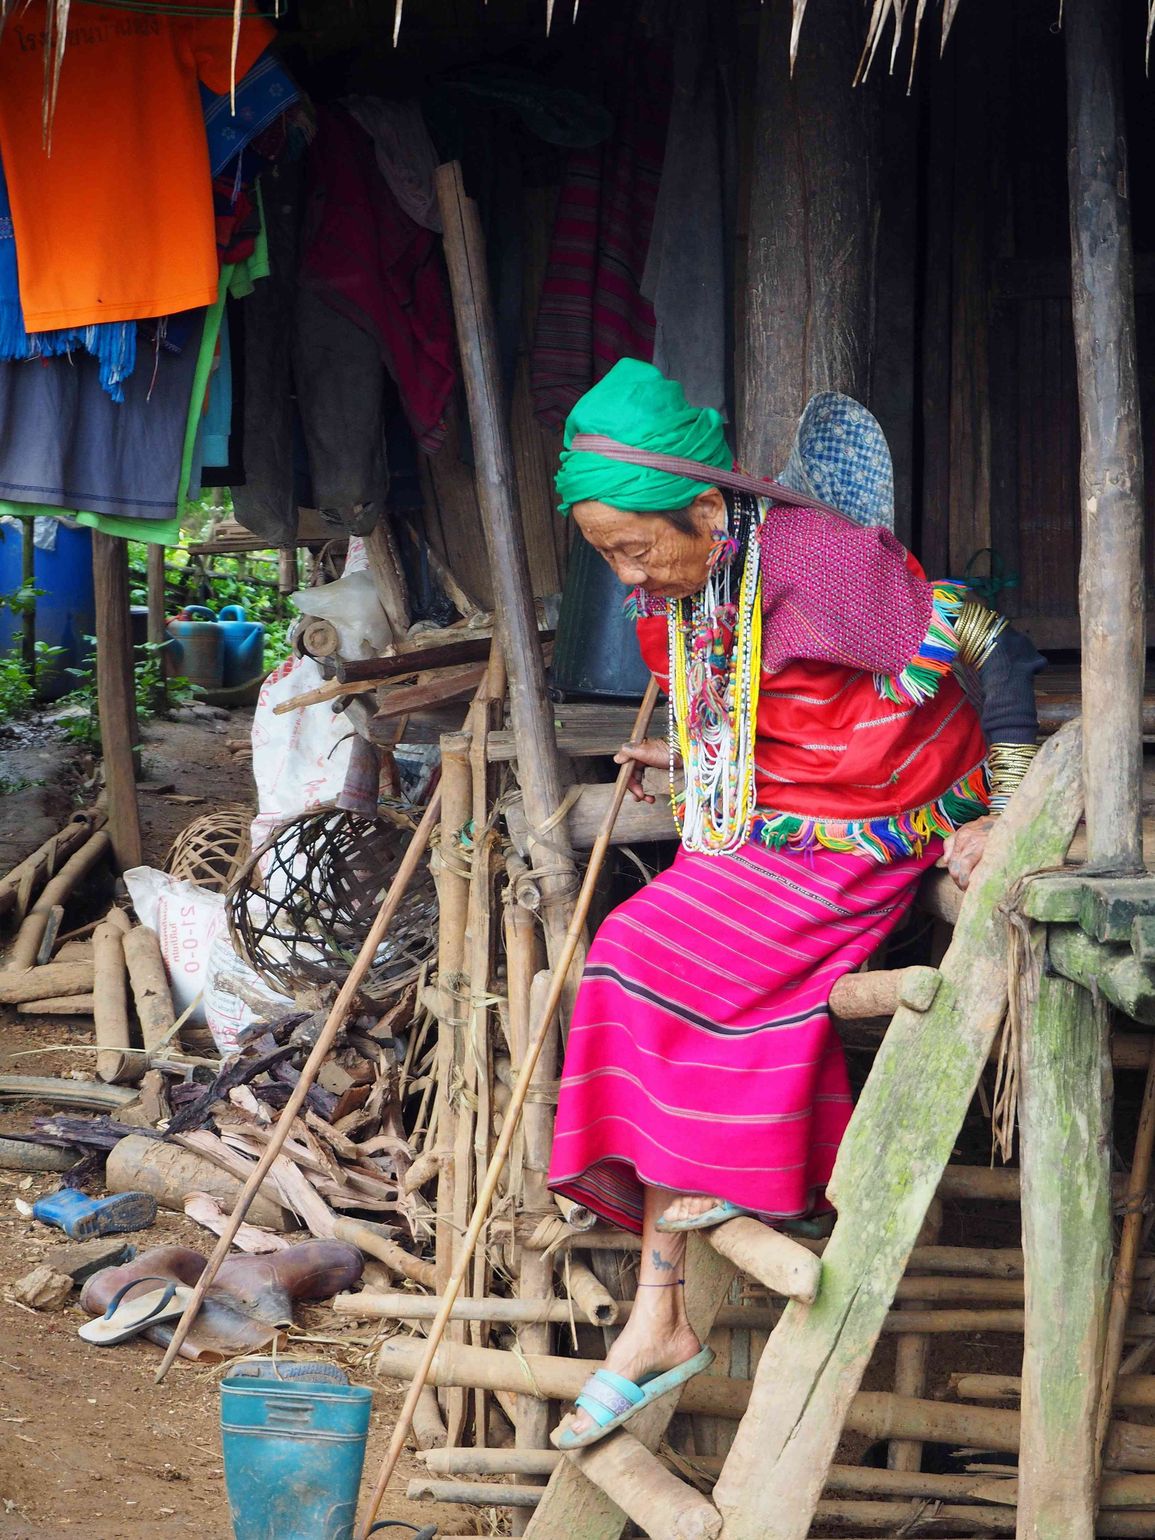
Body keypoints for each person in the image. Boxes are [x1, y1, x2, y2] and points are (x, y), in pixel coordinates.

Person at [545, 359, 1044, 1449]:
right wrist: (686, 759)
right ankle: (659, 1310)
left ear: (709, 509)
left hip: (867, 838)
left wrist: (1005, 813)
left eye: (636, 548)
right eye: (606, 557)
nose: (629, 579)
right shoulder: (689, 584)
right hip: (760, 835)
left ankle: (661, 1308)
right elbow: (742, 711)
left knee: (669, 965)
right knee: (625, 954)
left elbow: (993, 646)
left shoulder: (822, 560)